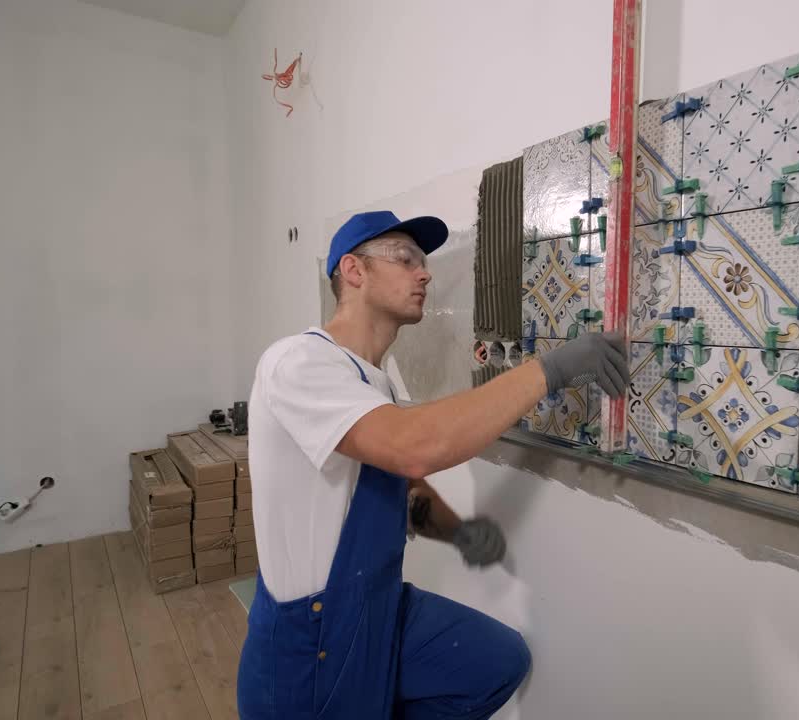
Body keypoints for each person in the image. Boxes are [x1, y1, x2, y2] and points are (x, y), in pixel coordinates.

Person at [237, 210, 629, 719]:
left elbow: (400, 481)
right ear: (353, 271)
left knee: (497, 661)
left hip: (378, 608)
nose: (424, 273)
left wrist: (458, 533)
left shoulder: (378, 381)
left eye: (423, 263)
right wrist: (550, 370)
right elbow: (414, 446)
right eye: (405, 259)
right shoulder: (299, 363)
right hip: (310, 642)